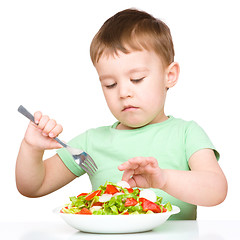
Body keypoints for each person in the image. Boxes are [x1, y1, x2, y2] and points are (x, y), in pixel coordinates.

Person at [16, 8, 227, 220]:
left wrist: (163, 180)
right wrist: (31, 148)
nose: (123, 92)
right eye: (110, 84)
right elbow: (34, 187)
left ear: (169, 75)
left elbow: (216, 190)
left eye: (136, 79)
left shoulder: (186, 134)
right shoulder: (90, 143)